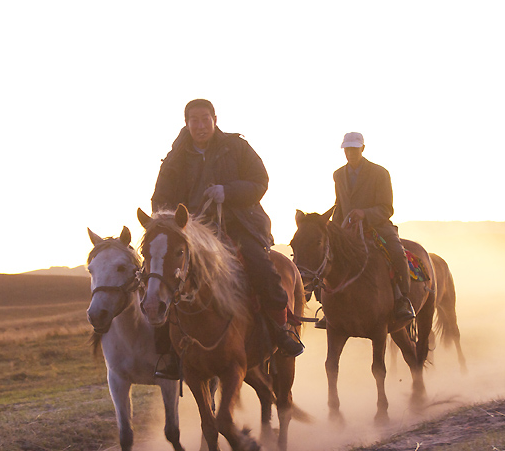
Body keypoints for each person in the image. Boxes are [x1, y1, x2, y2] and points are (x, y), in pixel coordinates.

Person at [149, 99, 304, 379]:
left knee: (260, 267)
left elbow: (260, 181)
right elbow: (160, 198)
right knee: (161, 279)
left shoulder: (236, 147)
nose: (200, 125)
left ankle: (281, 331)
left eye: (205, 118)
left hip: (240, 224)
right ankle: (169, 352)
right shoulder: (175, 158)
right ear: (186, 123)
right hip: (192, 232)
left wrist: (228, 191)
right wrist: (173, 223)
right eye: (194, 120)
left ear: (215, 119)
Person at [322, 131, 415, 330]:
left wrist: (364, 213)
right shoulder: (338, 175)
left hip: (378, 226)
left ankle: (402, 300)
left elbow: (386, 208)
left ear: (362, 149)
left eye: (355, 149)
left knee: (398, 254)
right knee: (325, 256)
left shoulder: (380, 173)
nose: (351, 153)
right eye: (347, 149)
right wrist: (334, 229)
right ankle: (328, 308)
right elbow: (340, 204)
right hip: (347, 229)